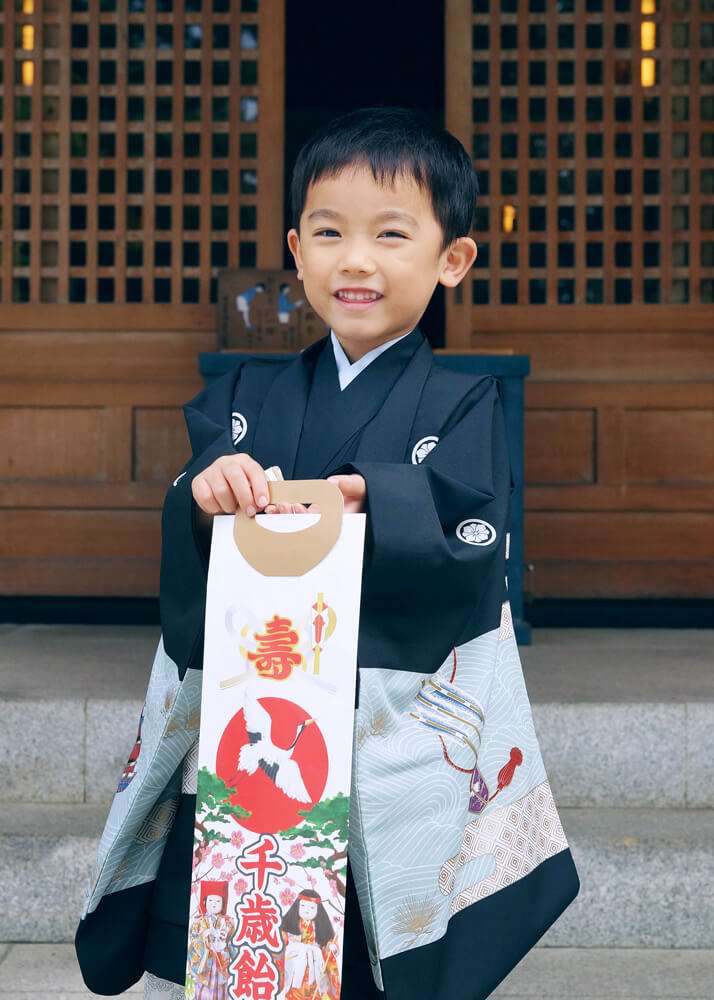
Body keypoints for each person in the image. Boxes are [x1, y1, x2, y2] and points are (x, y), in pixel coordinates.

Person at [75, 105, 579, 1000]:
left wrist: (372, 500)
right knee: (242, 928)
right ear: (297, 252)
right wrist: (205, 497)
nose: (357, 259)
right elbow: (190, 523)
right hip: (254, 721)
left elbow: (472, 542)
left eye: (391, 234)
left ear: (451, 259)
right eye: (329, 233)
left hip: (372, 729)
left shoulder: (461, 405)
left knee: (362, 949)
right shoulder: (241, 396)